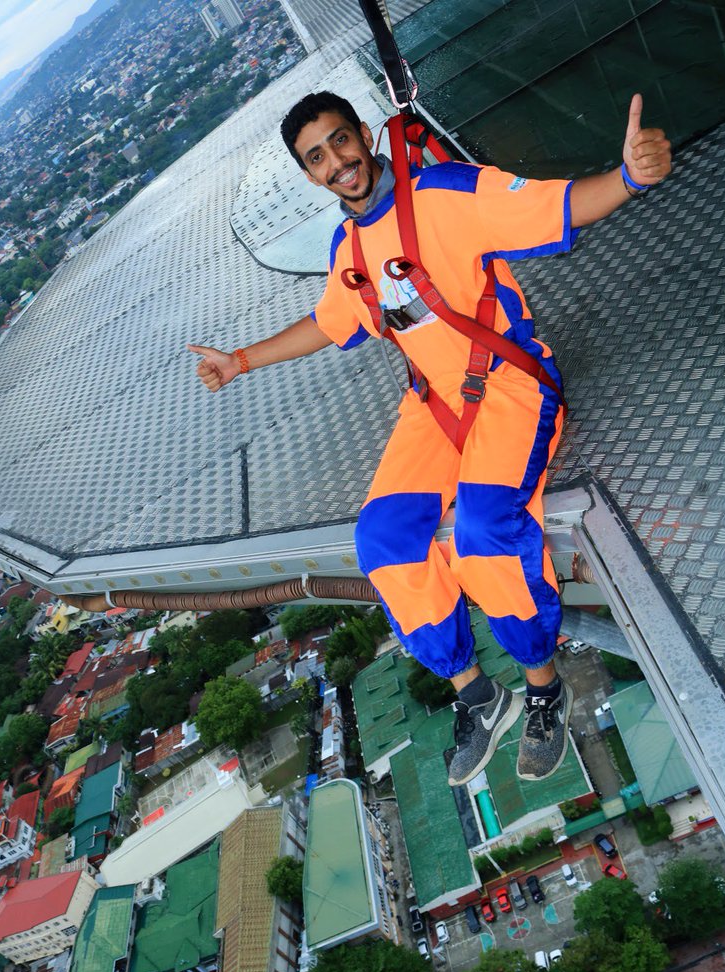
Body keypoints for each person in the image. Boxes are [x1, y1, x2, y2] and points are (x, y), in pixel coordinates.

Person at [189, 91, 671, 785]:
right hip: (435, 404)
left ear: (364, 134)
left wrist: (628, 178)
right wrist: (240, 361)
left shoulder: (446, 194)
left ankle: (543, 687)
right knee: (383, 541)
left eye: (340, 140)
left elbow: (556, 204)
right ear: (310, 175)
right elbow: (328, 322)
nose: (337, 162)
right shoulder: (350, 248)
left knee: (484, 532)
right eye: (317, 157)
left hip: (508, 384)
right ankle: (479, 695)